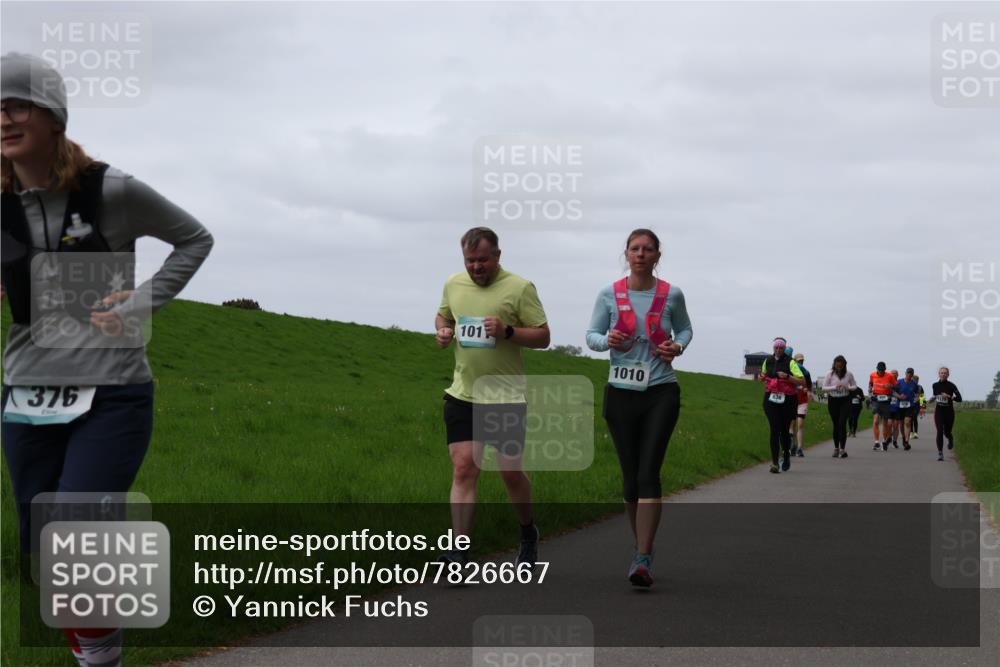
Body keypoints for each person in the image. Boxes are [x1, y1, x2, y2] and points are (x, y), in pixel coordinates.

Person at [1, 53, 213, 667]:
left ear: (52, 114)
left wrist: (144, 302)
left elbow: (193, 238)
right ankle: (102, 654)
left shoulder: (109, 189)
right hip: (25, 392)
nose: (5, 119)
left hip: (111, 392)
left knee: (74, 534)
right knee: (45, 555)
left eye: (17, 105)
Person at [435, 227, 550, 568]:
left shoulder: (520, 288)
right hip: (463, 394)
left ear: (498, 256)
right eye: (470, 261)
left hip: (505, 397)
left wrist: (507, 332)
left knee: (509, 473)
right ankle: (459, 552)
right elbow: (444, 314)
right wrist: (442, 330)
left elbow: (543, 336)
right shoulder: (453, 284)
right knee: (463, 469)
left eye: (483, 260)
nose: (476, 267)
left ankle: (528, 532)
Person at [586, 228, 692, 588]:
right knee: (630, 480)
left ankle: (643, 556)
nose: (641, 254)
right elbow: (592, 337)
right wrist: (607, 340)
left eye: (648, 249)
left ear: (657, 256)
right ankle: (640, 547)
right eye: (635, 248)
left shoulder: (671, 295)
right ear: (627, 254)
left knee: (649, 473)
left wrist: (677, 347)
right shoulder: (609, 293)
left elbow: (687, 331)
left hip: (661, 390)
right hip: (621, 391)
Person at [760, 338, 806, 473]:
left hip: (788, 400)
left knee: (784, 432)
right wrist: (763, 377)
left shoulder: (791, 362)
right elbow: (763, 375)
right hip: (771, 399)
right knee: (774, 430)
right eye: (776, 348)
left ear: (784, 349)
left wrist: (787, 377)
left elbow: (802, 381)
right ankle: (774, 462)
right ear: (773, 348)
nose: (778, 350)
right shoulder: (768, 360)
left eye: (781, 348)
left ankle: (786, 456)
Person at [822, 355, 856, 458]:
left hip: (845, 400)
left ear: (844, 365)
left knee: (842, 423)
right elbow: (823, 388)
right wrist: (834, 387)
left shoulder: (849, 374)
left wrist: (848, 387)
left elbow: (854, 386)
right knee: (836, 424)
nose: (839, 368)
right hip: (833, 400)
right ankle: (836, 448)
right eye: (837, 366)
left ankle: (842, 449)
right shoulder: (830, 374)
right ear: (834, 365)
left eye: (841, 366)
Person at [929, 367, 963, 461]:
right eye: (941, 373)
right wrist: (931, 399)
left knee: (947, 432)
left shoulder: (952, 385)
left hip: (949, 412)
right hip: (939, 411)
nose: (943, 374)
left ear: (948, 375)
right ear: (939, 374)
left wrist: (949, 396)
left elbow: (959, 399)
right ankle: (940, 453)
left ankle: (950, 438)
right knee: (939, 431)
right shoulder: (935, 385)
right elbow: (935, 396)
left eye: (945, 373)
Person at [868, 362, 894, 451]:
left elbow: (896, 386)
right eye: (879, 370)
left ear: (885, 370)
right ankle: (876, 442)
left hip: (886, 400)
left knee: (885, 423)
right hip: (876, 399)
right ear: (877, 369)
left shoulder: (890, 376)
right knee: (875, 421)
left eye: (882, 371)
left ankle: (884, 441)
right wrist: (870, 391)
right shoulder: (872, 375)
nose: (881, 372)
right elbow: (870, 384)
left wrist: (890, 385)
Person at [789, 352, 811, 457]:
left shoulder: (806, 373)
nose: (801, 362)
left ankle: (799, 448)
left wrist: (808, 390)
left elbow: (810, 387)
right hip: (792, 400)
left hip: (802, 401)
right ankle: (792, 446)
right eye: (799, 361)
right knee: (792, 425)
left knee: (800, 424)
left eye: (802, 361)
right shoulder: (791, 372)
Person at [893, 368, 919, 451]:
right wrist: (899, 396)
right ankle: (904, 438)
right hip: (899, 406)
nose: (909, 375)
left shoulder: (914, 384)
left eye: (911, 373)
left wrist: (920, 404)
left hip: (910, 406)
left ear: (912, 375)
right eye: (908, 373)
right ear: (905, 373)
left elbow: (919, 394)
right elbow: (893, 392)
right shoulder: (899, 382)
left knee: (908, 422)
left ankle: (907, 441)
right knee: (901, 424)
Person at [887, 369, 901, 448]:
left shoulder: (899, 384)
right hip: (889, 407)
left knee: (896, 425)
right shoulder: (887, 383)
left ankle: (895, 441)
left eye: (895, 373)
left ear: (897, 375)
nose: (893, 375)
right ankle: (889, 437)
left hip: (897, 407)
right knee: (889, 424)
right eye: (892, 373)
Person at [911, 374, 924, 439]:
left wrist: (922, 407)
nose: (915, 381)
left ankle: (915, 433)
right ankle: (911, 432)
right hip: (909, 404)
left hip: (917, 404)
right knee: (910, 418)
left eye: (917, 380)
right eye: (914, 380)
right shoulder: (909, 386)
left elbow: (922, 397)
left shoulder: (920, 387)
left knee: (914, 417)